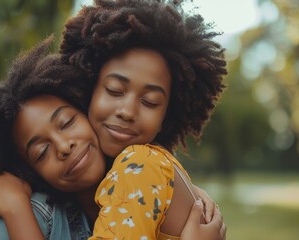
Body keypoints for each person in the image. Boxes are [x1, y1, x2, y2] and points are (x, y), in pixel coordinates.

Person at [0, 39, 224, 239]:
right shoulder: (74, 211)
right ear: (30, 172)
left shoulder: (138, 164)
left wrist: (16, 209)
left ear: (85, 106)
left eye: (67, 122)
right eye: (41, 152)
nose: (64, 146)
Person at [59, 0, 227, 239]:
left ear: (165, 118)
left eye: (149, 102)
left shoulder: (138, 164)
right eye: (115, 90)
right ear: (89, 90)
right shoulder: (154, 168)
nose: (127, 111)